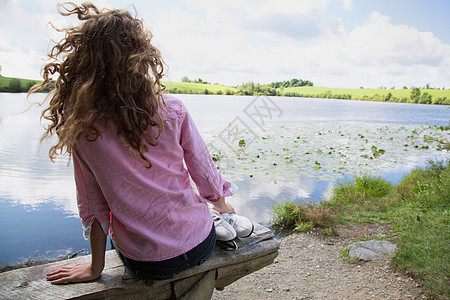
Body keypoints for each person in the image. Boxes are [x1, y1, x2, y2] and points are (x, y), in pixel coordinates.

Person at [31, 2, 236, 285]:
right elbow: (202, 168)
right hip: (199, 242)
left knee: (125, 234)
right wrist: (222, 204)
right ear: (142, 55)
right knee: (205, 213)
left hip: (147, 264)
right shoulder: (172, 109)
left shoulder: (79, 122)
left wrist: (95, 268)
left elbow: (92, 203)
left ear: (85, 58)